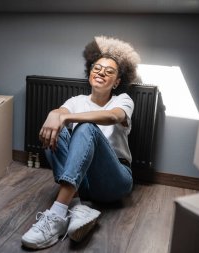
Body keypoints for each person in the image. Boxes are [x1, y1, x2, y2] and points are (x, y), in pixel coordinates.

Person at [21, 35, 141, 250]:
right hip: (82, 183)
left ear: (117, 82)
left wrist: (66, 118)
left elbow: (113, 117)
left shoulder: (122, 100)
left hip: (114, 181)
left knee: (85, 128)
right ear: (90, 74)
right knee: (54, 133)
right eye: (97, 68)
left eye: (109, 71)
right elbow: (60, 114)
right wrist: (54, 113)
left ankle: (57, 215)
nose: (101, 72)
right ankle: (77, 207)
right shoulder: (75, 101)